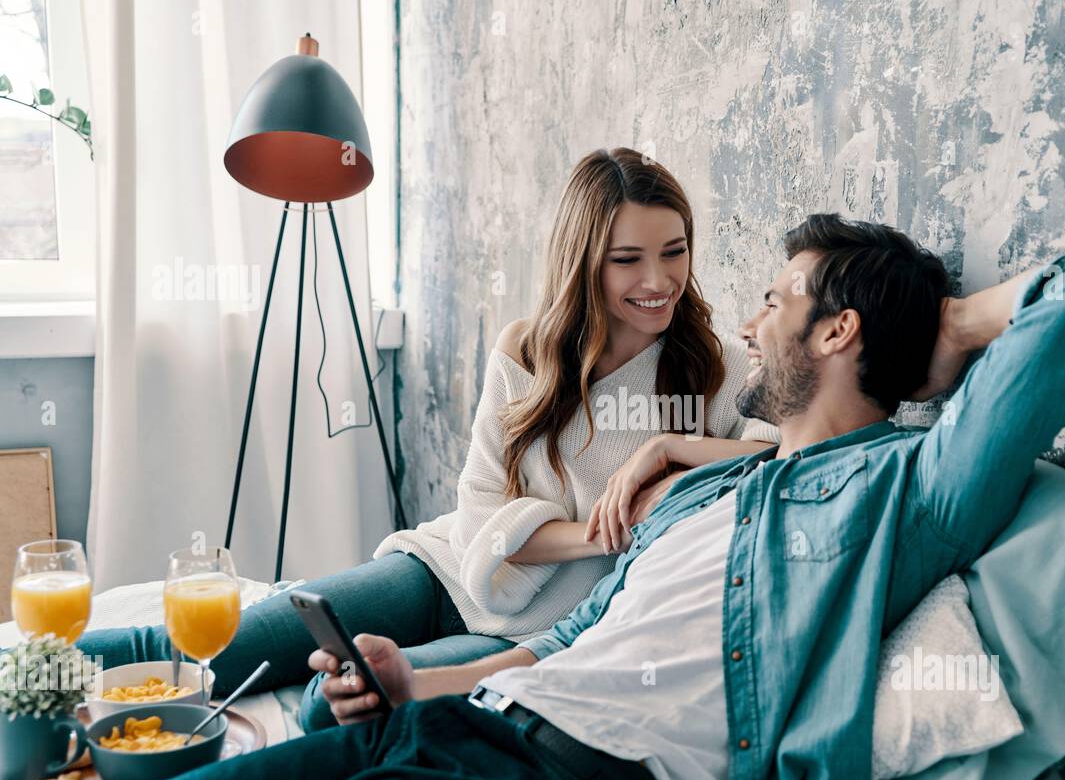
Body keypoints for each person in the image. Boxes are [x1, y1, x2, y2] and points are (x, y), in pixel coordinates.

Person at [2, 216, 1065, 780]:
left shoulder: (907, 491)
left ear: (839, 328)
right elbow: (556, 647)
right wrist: (412, 687)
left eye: (780, 300)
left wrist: (943, 328)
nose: (745, 317)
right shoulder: (701, 493)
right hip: (454, 732)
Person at [76, 148, 777, 732]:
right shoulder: (527, 351)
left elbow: (785, 457)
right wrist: (605, 532)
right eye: (629, 259)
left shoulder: (716, 370)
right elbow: (479, 514)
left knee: (339, 704)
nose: (659, 281)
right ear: (584, 261)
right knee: (223, 641)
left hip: (525, 632)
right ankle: (31, 679)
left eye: (674, 251)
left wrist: (666, 450)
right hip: (444, 568)